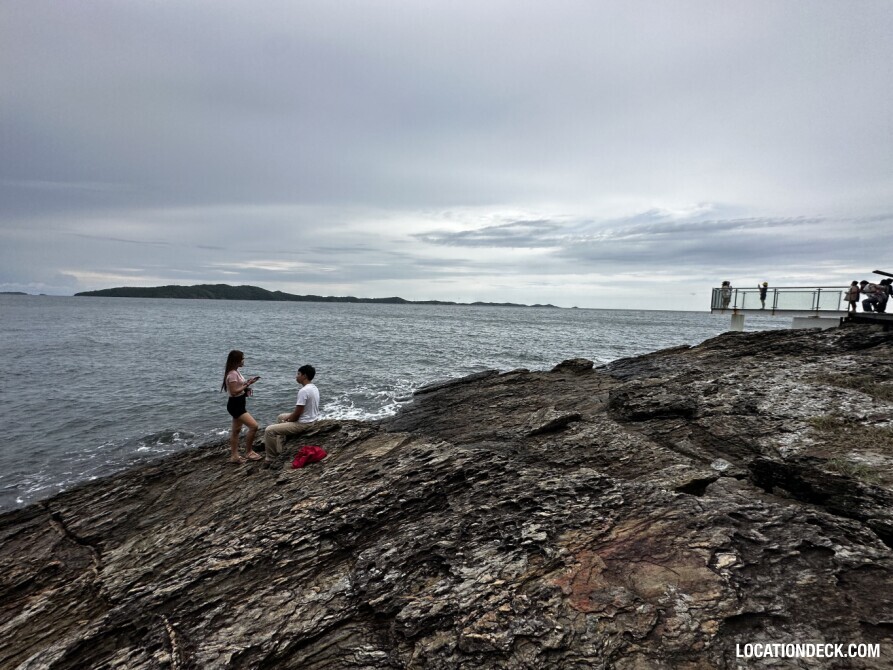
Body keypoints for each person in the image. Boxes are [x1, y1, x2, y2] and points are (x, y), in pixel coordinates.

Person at [263, 364, 320, 465]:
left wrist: (289, 419)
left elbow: (298, 413)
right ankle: (280, 448)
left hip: (304, 423)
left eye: (298, 374)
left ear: (304, 376)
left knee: (269, 430)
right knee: (280, 417)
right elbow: (300, 411)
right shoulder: (314, 388)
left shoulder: (304, 391)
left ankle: (271, 458)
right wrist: (287, 418)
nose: (296, 376)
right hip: (312, 419)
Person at [222, 350, 262, 463]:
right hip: (236, 405)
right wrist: (247, 384)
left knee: (236, 431)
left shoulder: (236, 372)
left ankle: (234, 456)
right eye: (242, 359)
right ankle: (249, 452)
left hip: (239, 403)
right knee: (254, 426)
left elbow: (239, 387)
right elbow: (234, 391)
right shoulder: (232, 374)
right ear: (237, 360)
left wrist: (248, 382)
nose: (244, 360)